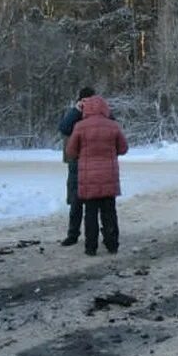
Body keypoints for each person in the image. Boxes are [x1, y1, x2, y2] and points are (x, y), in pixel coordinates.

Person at [66, 95, 128, 256]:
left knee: (90, 213)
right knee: (109, 211)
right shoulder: (113, 126)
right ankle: (112, 244)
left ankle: (90, 247)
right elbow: (123, 148)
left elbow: (71, 151)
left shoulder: (80, 126)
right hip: (108, 176)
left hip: (88, 178)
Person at [58, 86, 95, 247]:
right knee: (76, 200)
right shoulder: (74, 114)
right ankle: (74, 233)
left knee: (89, 203)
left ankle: (82, 235)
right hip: (77, 162)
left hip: (90, 162)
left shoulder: (98, 113)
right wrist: (76, 111)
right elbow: (64, 128)